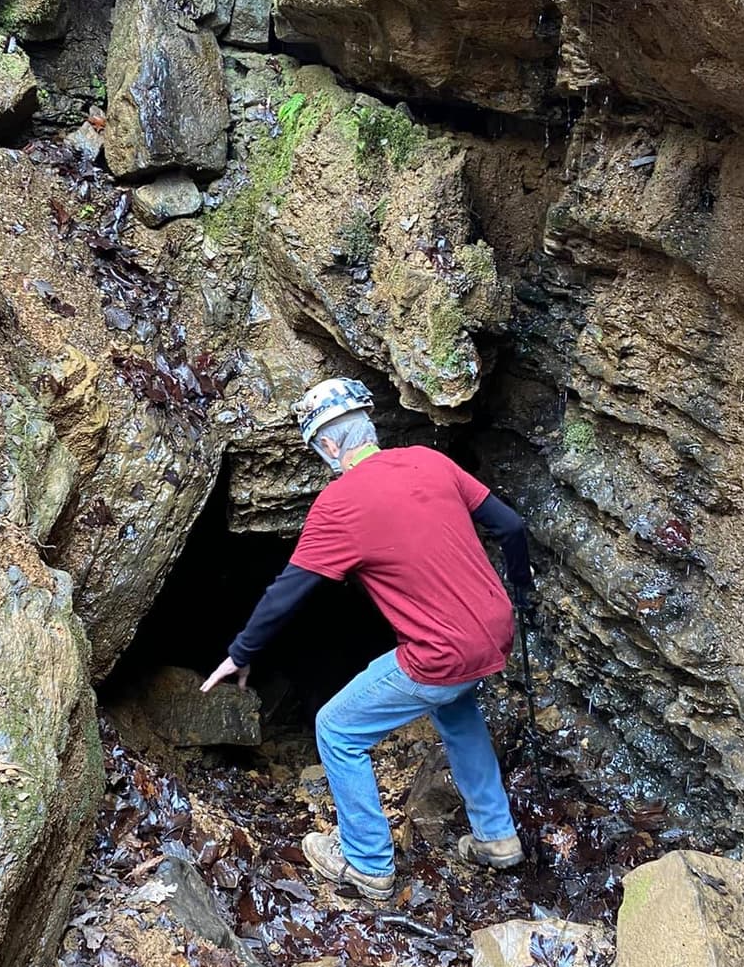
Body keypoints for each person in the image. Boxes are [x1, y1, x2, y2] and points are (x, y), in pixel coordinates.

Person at [200, 377, 535, 902]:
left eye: (318, 452)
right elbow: (511, 527)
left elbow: (288, 592)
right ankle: (497, 837)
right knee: (457, 710)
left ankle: (367, 863)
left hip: (440, 652)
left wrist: (241, 654)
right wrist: (524, 591)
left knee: (336, 728)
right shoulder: (430, 461)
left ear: (329, 446)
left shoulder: (340, 504)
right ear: (369, 427)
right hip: (493, 631)